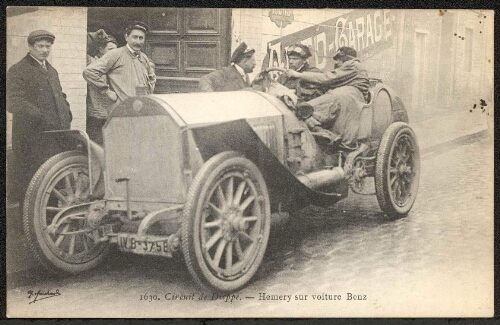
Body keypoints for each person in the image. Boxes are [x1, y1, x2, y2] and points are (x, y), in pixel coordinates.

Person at [7, 29, 73, 203]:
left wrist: (67, 111)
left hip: (54, 137)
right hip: (32, 139)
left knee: (51, 183)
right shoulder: (18, 70)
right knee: (31, 185)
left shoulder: (51, 70)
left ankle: (47, 224)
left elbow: (59, 95)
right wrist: (41, 116)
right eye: (40, 46)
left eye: (48, 46)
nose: (44, 50)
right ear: (30, 46)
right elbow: (13, 102)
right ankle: (26, 227)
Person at [284, 46, 370, 149]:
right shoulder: (352, 68)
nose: (337, 62)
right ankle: (321, 131)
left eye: (339, 58)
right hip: (348, 96)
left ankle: (322, 132)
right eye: (291, 58)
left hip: (348, 95)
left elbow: (327, 78)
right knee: (308, 108)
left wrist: (299, 75)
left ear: (346, 58)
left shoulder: (353, 65)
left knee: (307, 109)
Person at [83, 21, 156, 106]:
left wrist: (148, 93)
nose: (138, 41)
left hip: (140, 109)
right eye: (135, 37)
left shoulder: (144, 58)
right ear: (126, 37)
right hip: (121, 110)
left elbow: (152, 78)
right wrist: (107, 91)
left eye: (141, 38)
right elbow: (89, 71)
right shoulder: (115, 54)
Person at [86, 30, 118, 144]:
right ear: (101, 49)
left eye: (115, 50)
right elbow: (81, 45)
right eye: (110, 49)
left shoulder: (117, 66)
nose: (113, 53)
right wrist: (95, 36)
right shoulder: (92, 62)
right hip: (97, 117)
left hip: (114, 116)